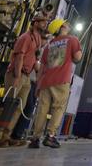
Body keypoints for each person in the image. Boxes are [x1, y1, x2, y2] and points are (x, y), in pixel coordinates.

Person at [0, 16, 46, 147]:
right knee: (8, 104)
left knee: (18, 108)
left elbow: (34, 59)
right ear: (36, 23)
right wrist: (16, 76)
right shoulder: (25, 38)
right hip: (17, 74)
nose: (45, 25)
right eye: (43, 22)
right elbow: (19, 57)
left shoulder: (37, 39)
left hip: (27, 76)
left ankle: (6, 136)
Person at [29, 18, 82, 149]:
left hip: (46, 81)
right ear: (61, 27)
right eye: (65, 23)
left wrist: (38, 84)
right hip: (61, 80)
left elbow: (42, 67)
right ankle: (50, 136)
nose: (68, 24)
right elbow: (77, 58)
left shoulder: (48, 45)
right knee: (58, 108)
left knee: (42, 109)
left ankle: (35, 138)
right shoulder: (73, 39)